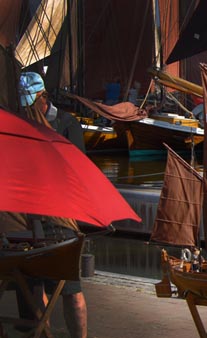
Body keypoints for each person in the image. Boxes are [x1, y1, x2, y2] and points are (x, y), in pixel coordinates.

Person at [18, 72, 88, 338]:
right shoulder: (22, 122)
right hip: (32, 217)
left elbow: (78, 170)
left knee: (71, 289)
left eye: (30, 102)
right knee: (36, 288)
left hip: (62, 218)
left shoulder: (66, 124)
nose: (27, 108)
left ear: (43, 97)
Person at [20, 72, 86, 152]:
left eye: (31, 104)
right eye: (22, 104)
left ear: (44, 96)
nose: (26, 109)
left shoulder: (69, 124)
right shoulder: (20, 122)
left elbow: (78, 160)